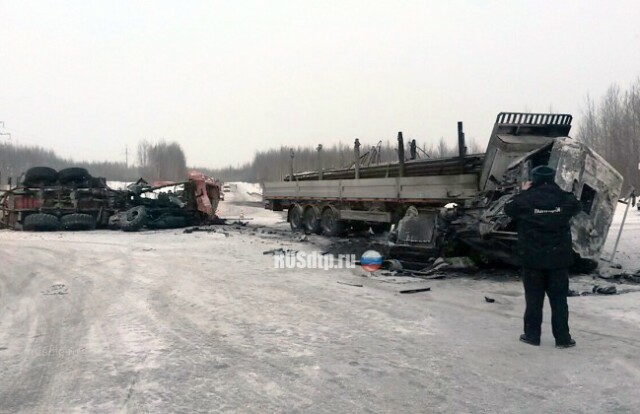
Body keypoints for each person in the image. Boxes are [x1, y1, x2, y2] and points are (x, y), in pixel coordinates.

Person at [504, 165, 582, 348]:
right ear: (553, 178)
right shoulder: (564, 198)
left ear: (534, 179)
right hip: (558, 260)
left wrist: (523, 192)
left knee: (533, 299)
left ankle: (532, 335)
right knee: (559, 300)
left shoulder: (525, 199)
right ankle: (563, 338)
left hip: (532, 260)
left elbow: (509, 209)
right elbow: (577, 206)